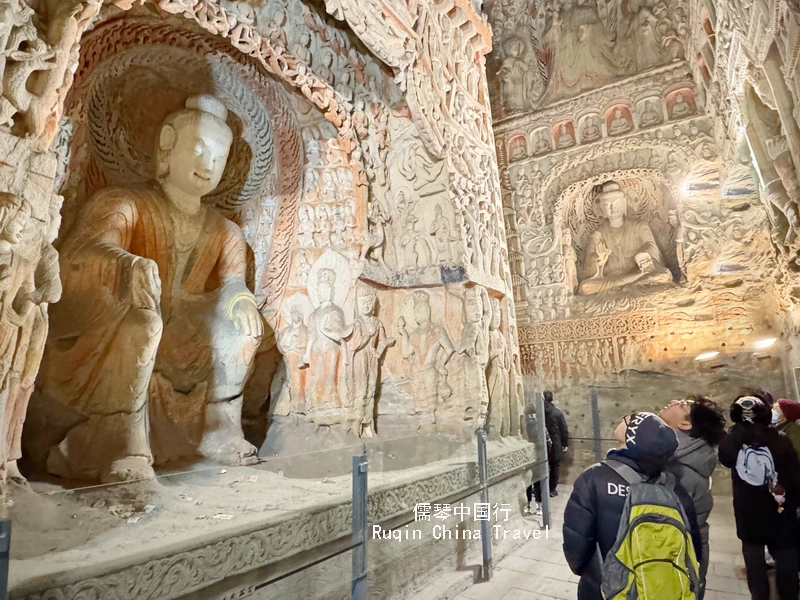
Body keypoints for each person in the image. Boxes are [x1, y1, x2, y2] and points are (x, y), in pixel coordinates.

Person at [563, 412, 702, 600]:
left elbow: (576, 544)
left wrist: (588, 573)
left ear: (632, 436)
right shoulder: (677, 492)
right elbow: (694, 552)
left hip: (604, 588)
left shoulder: (595, 478)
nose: (622, 419)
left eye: (628, 419)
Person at [719, 392, 800, 600]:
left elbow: (725, 459)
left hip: (749, 514)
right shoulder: (781, 440)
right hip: (781, 511)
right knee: (786, 559)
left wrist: (737, 430)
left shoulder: (732, 441)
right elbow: (794, 477)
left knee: (754, 564)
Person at [660, 397, 726, 599]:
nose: (672, 401)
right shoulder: (677, 458)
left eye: (681, 404)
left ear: (685, 424)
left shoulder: (681, 471)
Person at [524, 401, 552, 515]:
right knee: (531, 483)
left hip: (534, 458)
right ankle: (533, 505)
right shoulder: (531, 426)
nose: (531, 416)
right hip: (533, 458)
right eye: (529, 414)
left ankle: (535, 505)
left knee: (534, 482)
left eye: (533, 413)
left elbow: (548, 442)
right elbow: (549, 443)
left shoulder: (537, 427)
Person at [543, 390, 568, 497]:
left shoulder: (537, 412)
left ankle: (540, 490)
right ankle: (551, 490)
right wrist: (564, 444)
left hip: (541, 443)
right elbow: (563, 430)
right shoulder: (557, 413)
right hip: (555, 444)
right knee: (555, 467)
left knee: (540, 467)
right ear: (552, 399)